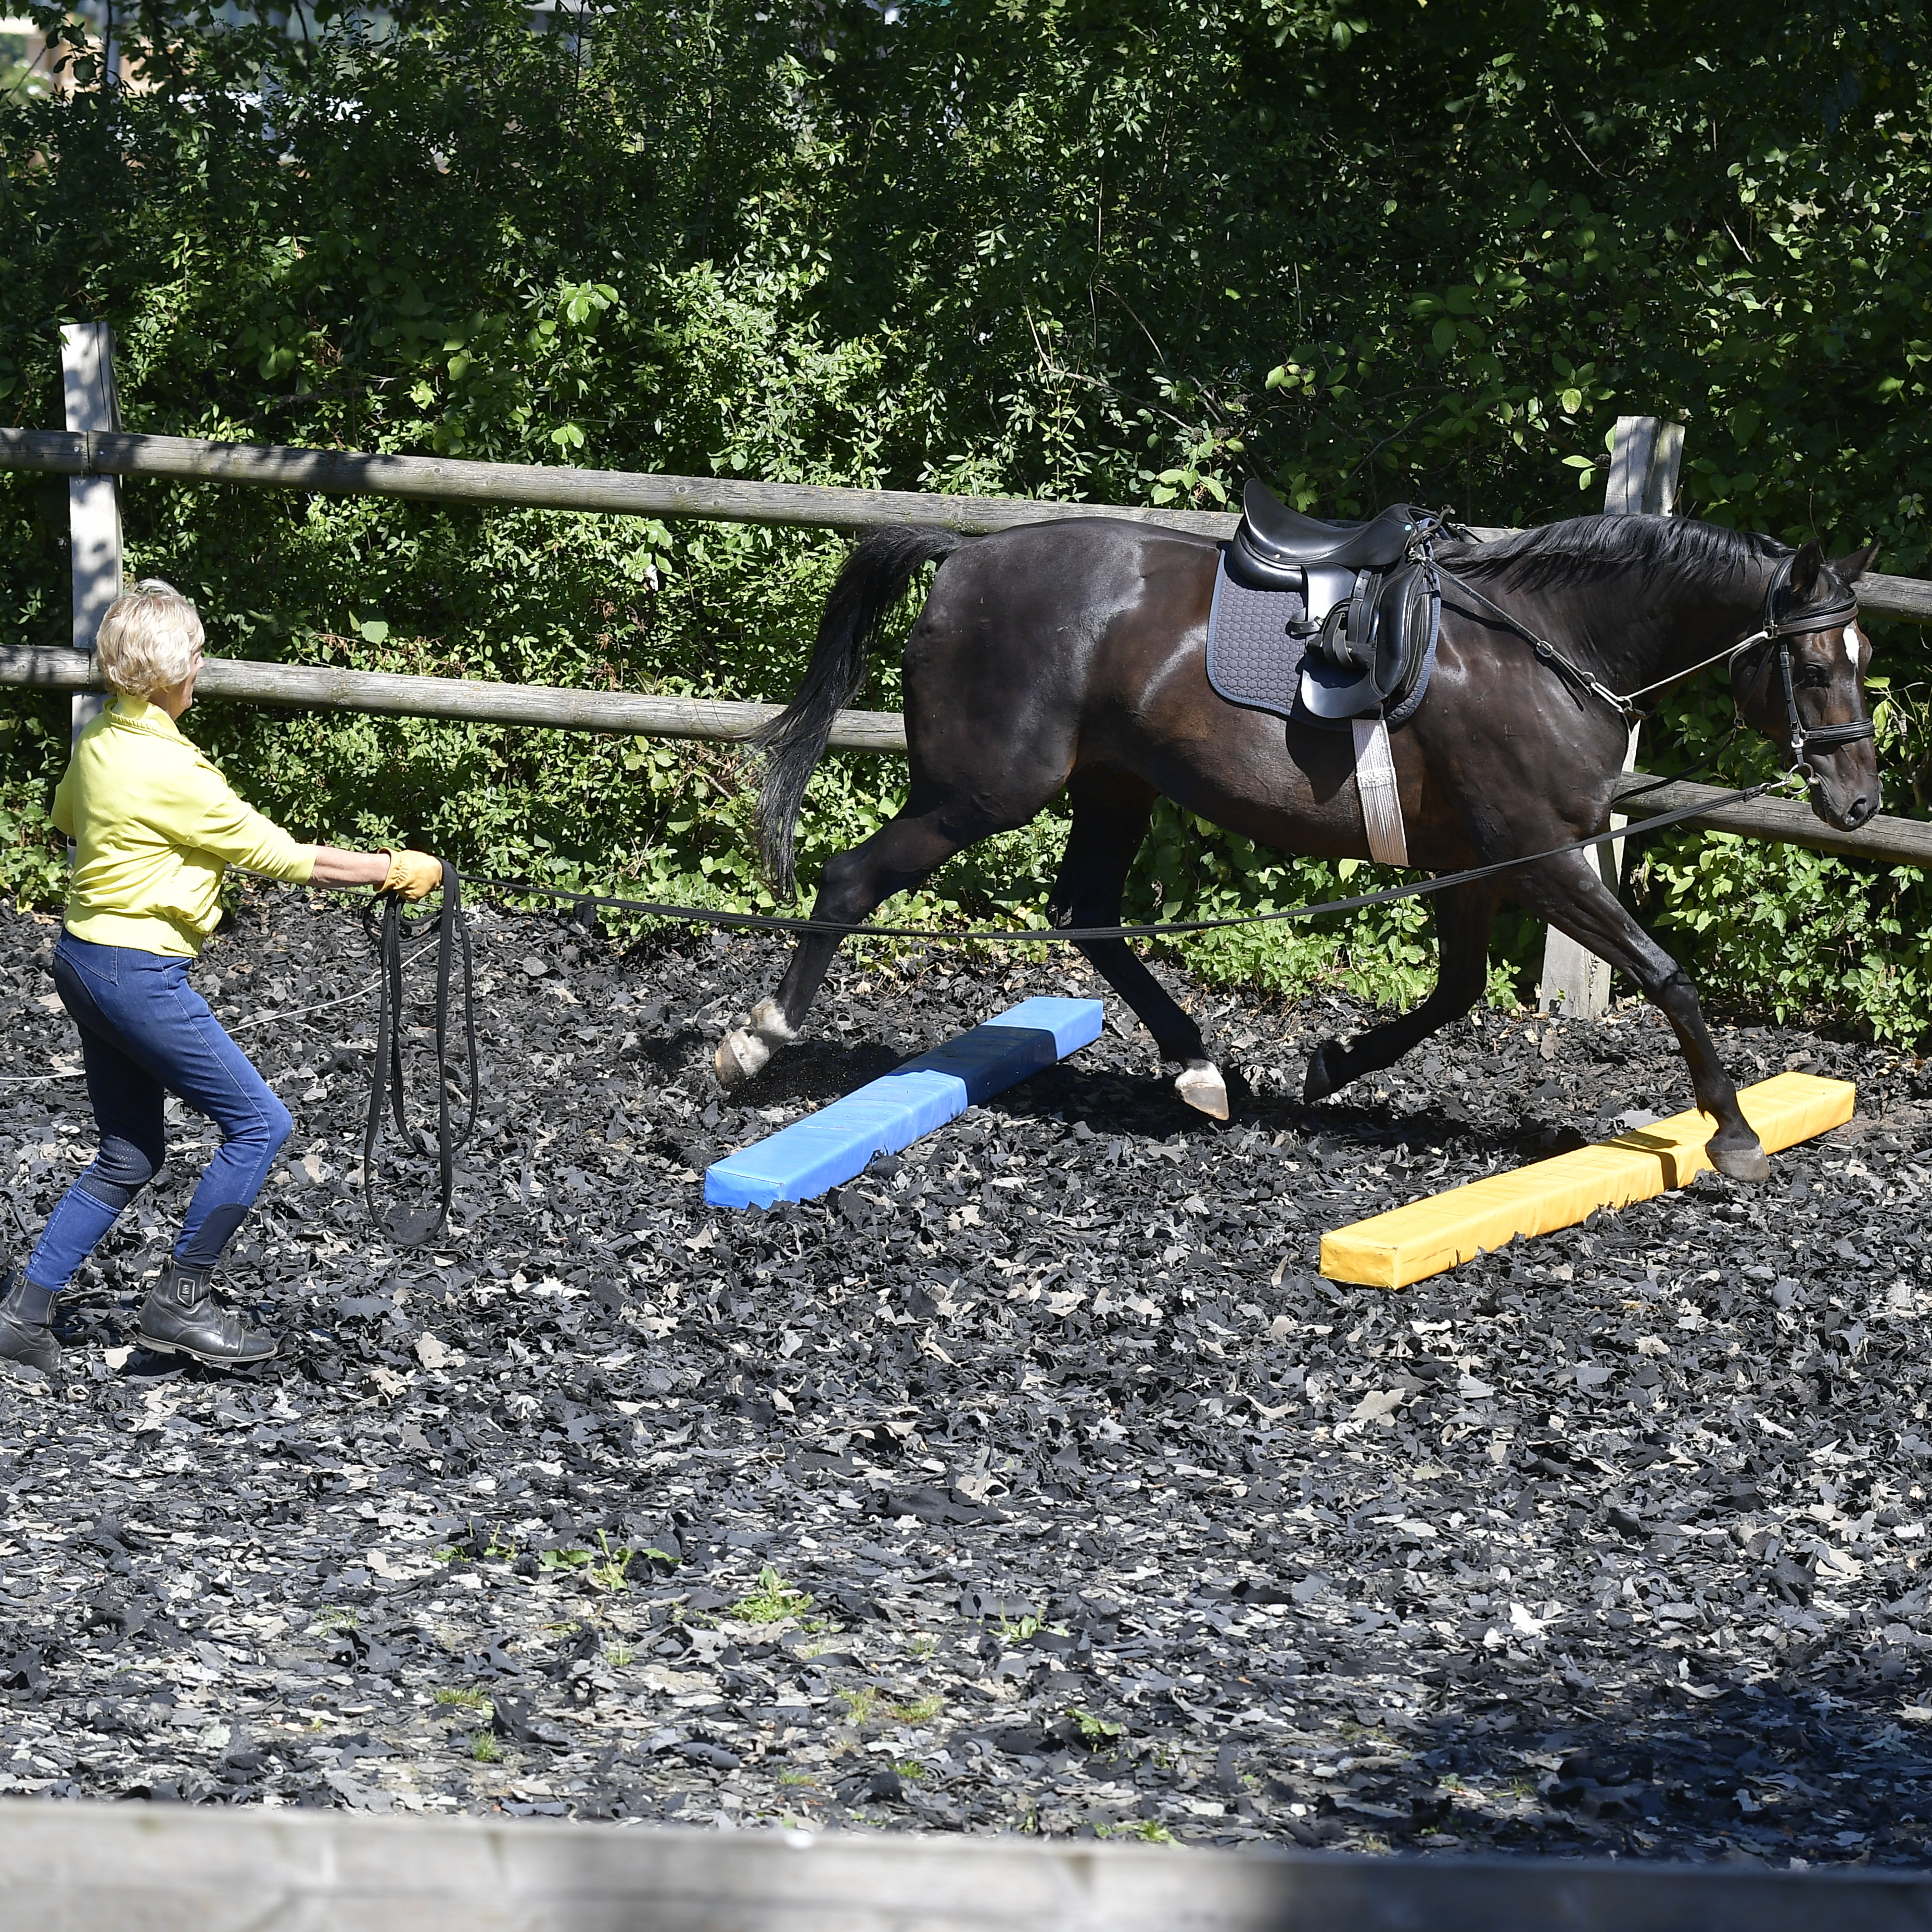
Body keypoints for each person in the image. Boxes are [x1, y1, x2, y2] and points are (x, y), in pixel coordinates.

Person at [0, 579, 443, 1374]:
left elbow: (70, 817)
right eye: (197, 654)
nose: (202, 665)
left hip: (82, 959)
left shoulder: (101, 740)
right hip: (136, 973)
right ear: (173, 672)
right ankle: (180, 1301)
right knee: (261, 1125)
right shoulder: (175, 772)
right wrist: (391, 867)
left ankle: (24, 1313)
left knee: (130, 1153)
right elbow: (284, 856)